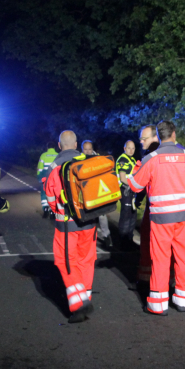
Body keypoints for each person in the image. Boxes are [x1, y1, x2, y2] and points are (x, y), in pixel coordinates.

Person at [126, 120, 185, 315]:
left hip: (160, 219)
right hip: (184, 217)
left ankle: (158, 303)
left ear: (159, 136)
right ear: (174, 134)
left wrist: (130, 176)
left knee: (160, 258)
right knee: (182, 257)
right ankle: (183, 299)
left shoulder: (151, 159)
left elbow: (136, 186)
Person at [44, 131, 97, 323]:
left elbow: (50, 196)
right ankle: (86, 297)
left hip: (67, 224)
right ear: (76, 144)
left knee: (65, 261)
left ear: (60, 145)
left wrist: (57, 211)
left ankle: (78, 304)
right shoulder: (88, 162)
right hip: (89, 221)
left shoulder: (55, 166)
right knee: (86, 260)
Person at [134, 125, 159, 289]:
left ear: (155, 137)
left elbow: (138, 183)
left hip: (156, 207)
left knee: (150, 244)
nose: (141, 141)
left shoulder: (150, 156)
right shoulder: (179, 153)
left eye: (144, 138)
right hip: (178, 209)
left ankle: (148, 281)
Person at [81, 139, 113, 248]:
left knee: (102, 216)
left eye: (89, 149)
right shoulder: (79, 160)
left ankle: (106, 236)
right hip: (86, 192)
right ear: (82, 149)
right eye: (85, 149)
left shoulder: (99, 159)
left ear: (92, 149)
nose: (88, 152)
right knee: (88, 216)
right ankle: (89, 238)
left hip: (98, 192)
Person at [116, 140, 138, 250]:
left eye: (133, 148)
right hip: (125, 190)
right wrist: (134, 185)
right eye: (129, 148)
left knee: (132, 215)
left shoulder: (132, 159)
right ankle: (123, 241)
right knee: (126, 216)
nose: (131, 150)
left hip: (131, 190)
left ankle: (129, 239)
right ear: (124, 148)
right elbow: (123, 177)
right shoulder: (123, 159)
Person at [37, 141, 59, 219]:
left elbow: (40, 168)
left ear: (47, 147)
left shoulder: (43, 155)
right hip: (55, 179)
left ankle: (45, 208)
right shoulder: (58, 155)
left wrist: (39, 177)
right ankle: (52, 210)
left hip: (45, 178)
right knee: (54, 194)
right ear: (55, 147)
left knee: (44, 193)